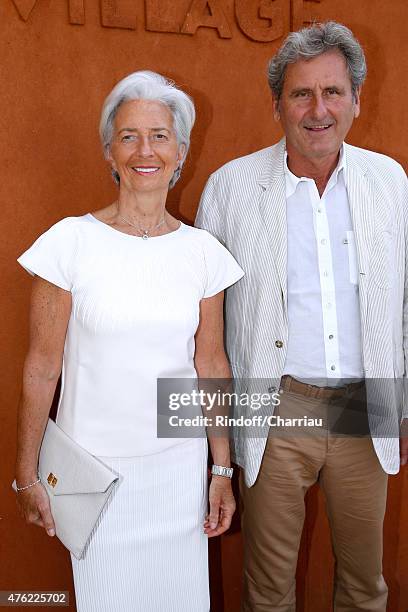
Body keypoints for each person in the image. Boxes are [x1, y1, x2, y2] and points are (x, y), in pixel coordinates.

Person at [196, 21, 408, 612]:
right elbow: (204, 322)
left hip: (366, 410)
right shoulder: (229, 188)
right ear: (278, 105)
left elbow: (406, 304)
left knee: (366, 587)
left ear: (356, 100)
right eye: (301, 93)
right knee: (267, 592)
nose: (319, 109)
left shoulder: (391, 184)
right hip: (275, 410)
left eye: (333, 92)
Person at [14, 70, 244, 612]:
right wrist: (25, 473)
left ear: (181, 151)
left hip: (177, 473)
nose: (146, 150)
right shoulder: (69, 244)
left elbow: (211, 364)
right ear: (109, 152)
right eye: (129, 135)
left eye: (160, 135)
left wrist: (221, 470)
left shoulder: (203, 253)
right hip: (95, 475)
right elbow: (41, 367)